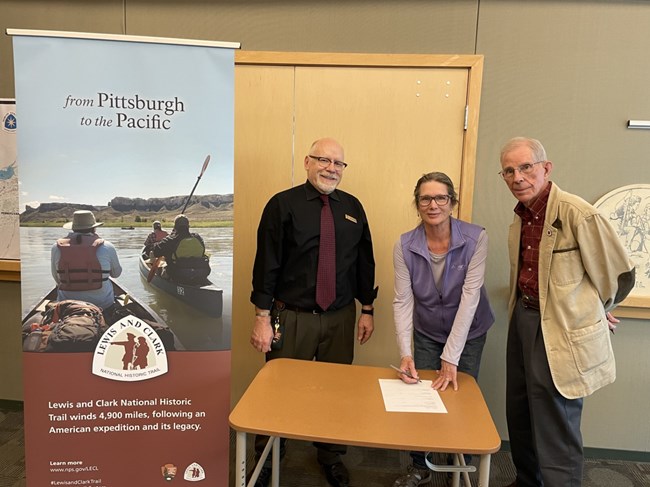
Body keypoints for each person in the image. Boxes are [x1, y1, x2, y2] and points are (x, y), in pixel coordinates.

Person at [499, 137, 635, 487]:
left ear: (545, 168)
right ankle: (528, 481)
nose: (518, 177)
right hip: (524, 321)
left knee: (555, 422)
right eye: (509, 171)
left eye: (526, 167)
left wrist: (596, 309)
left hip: (559, 329)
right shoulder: (520, 219)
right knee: (521, 412)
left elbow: (620, 275)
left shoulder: (578, 214)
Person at [249, 137, 377, 487]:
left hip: (339, 317)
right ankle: (268, 457)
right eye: (324, 160)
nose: (331, 168)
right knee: (278, 392)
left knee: (337, 392)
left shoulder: (352, 207)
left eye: (338, 163)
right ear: (307, 162)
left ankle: (330, 456)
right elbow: (267, 263)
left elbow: (364, 262)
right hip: (291, 317)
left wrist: (367, 308)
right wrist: (262, 317)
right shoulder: (282, 205)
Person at [392, 172, 494, 487]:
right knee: (421, 397)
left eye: (441, 198)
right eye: (426, 198)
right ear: (417, 203)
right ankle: (419, 465)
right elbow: (402, 300)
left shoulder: (476, 238)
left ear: (451, 202)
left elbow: (470, 298)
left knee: (458, 394)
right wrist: (405, 353)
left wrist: (451, 356)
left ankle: (456, 461)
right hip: (427, 332)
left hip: (470, 331)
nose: (433, 204)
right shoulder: (405, 244)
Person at [51, 210, 122, 311]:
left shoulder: (56, 247)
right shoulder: (107, 246)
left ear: (73, 228)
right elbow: (116, 274)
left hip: (67, 306)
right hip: (103, 305)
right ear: (94, 228)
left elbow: (57, 279)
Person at [152, 214, 210, 285]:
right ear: (188, 226)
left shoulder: (170, 239)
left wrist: (171, 236)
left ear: (175, 227)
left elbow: (156, 251)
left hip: (178, 275)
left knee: (161, 269)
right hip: (201, 273)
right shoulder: (198, 238)